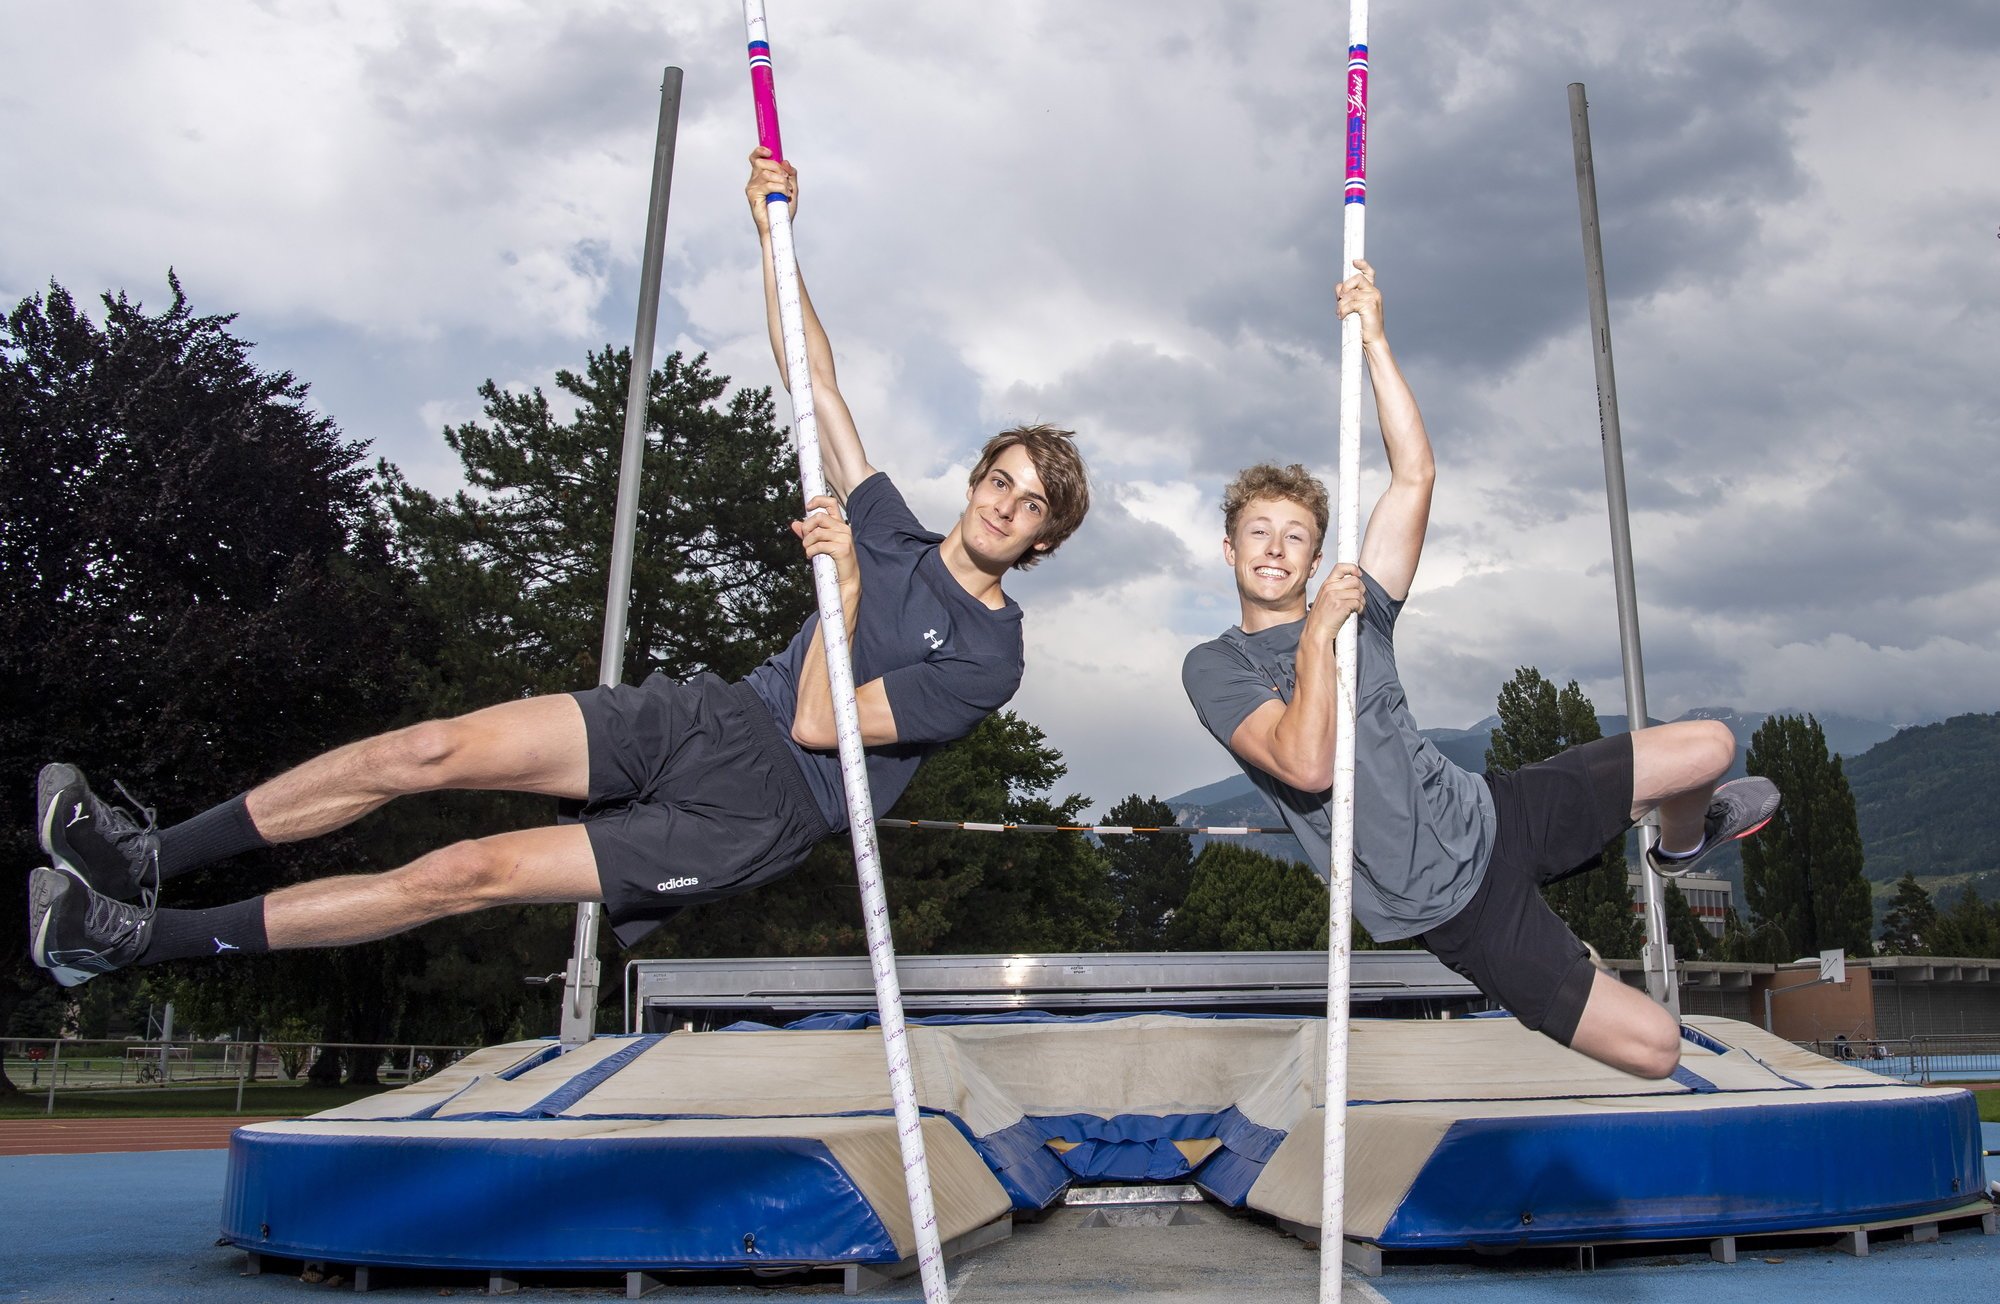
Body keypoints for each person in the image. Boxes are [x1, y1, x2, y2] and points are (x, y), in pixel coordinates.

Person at [26, 148, 1090, 988]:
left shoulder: (990, 654)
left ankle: (137, 942)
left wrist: (847, 590)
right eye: (1000, 477)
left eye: (1029, 502)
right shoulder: (891, 526)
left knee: (459, 874)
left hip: (763, 807)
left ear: (1041, 540)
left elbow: (822, 724)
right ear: (974, 480)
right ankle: (145, 857)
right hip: (716, 715)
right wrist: (776, 234)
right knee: (428, 749)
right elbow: (811, 377)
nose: (1005, 502)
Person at [1181, 261, 1777, 1080]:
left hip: (1497, 811)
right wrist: (1317, 634)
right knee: (1656, 1048)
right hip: (1456, 910)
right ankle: (1579, 948)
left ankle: (1676, 849)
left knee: (1712, 746)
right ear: (1229, 550)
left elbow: (1415, 476)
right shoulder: (1217, 667)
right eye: (1258, 533)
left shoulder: (1360, 609)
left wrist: (1377, 342)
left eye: (1293, 536)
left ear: (1317, 556)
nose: (1276, 549)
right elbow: (1306, 763)